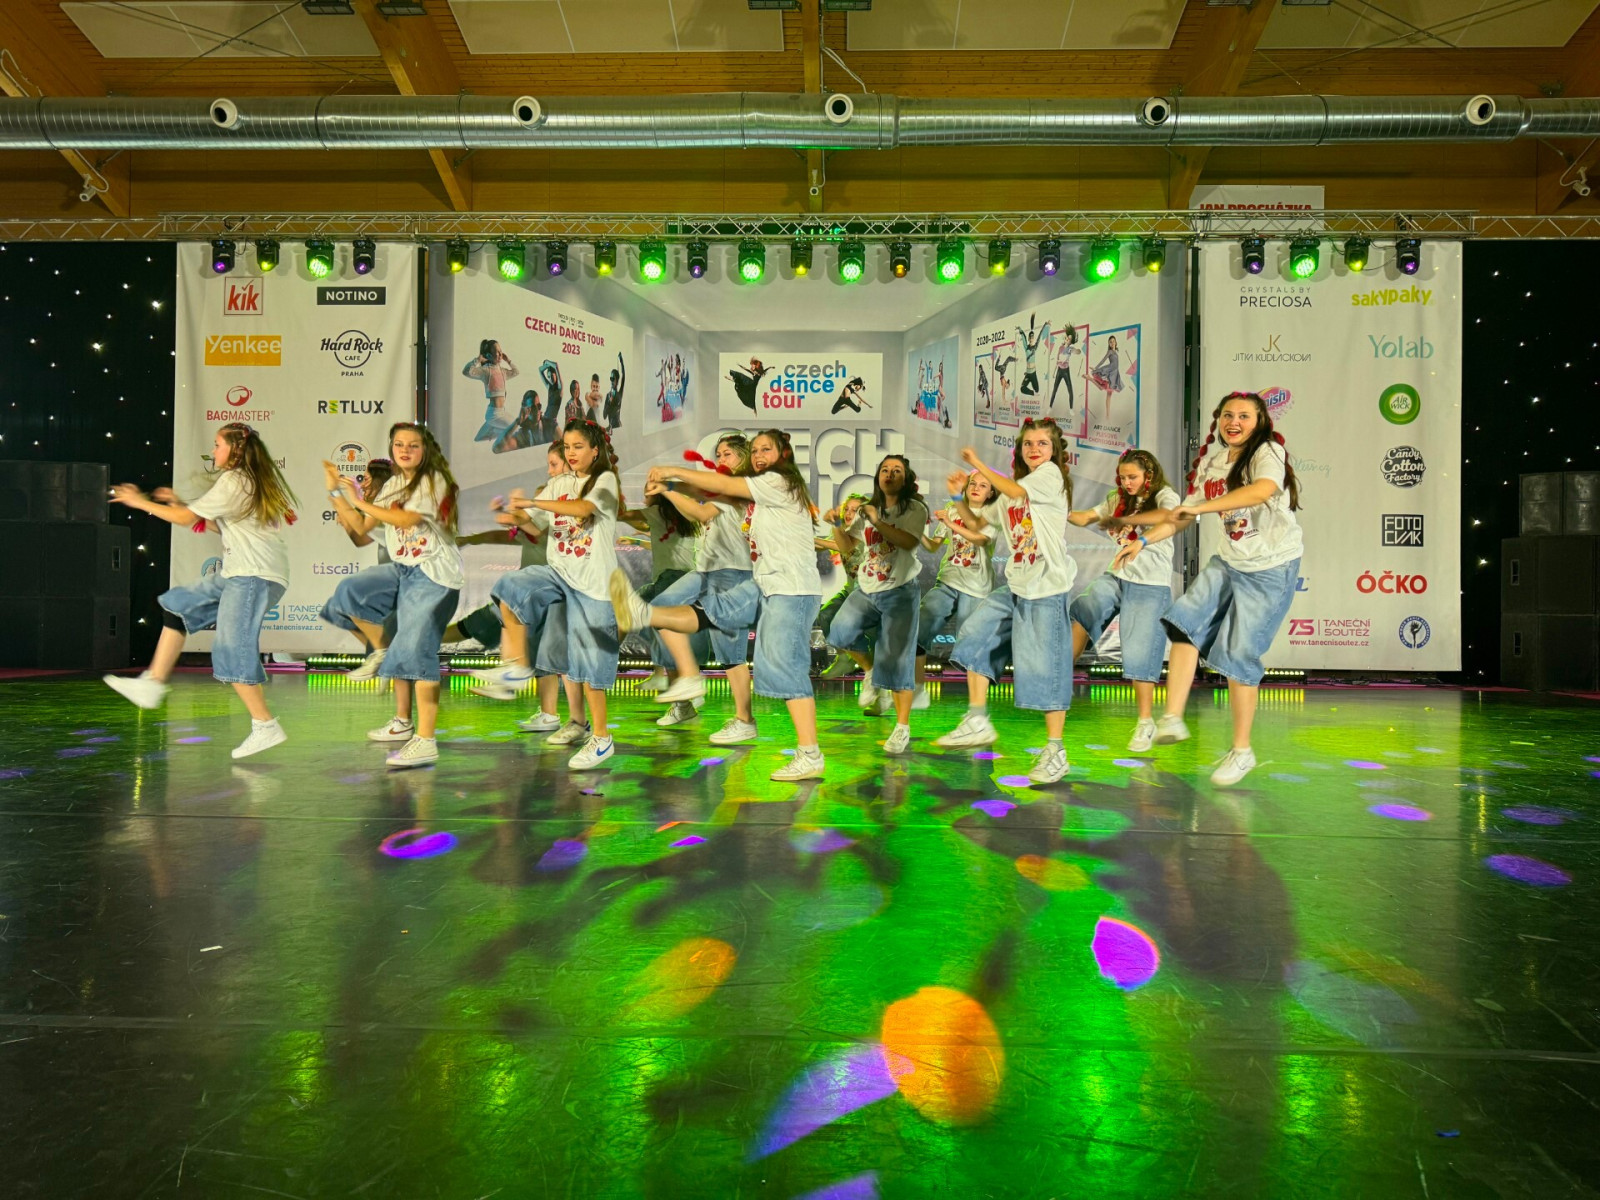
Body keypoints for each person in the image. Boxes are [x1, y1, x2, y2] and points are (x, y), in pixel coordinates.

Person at [610, 430, 825, 782]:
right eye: (755, 450)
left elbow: (713, 493)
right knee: (711, 612)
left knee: (784, 668)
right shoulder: (756, 494)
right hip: (764, 584)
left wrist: (671, 473)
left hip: (792, 590)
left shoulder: (779, 482)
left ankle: (810, 753)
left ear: (783, 455)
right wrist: (669, 487)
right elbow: (709, 496)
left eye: (766, 449)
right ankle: (649, 617)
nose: (758, 455)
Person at [1114, 393, 1303, 787]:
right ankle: (1172, 718)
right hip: (1229, 561)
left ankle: (1242, 751)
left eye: (1244, 416)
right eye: (1228, 415)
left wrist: (1202, 508)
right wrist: (1143, 540)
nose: (1235, 422)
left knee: (1237, 656)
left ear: (1260, 421)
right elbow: (1180, 515)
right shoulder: (1213, 463)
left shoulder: (1266, 451)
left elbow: (1262, 490)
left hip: (1270, 568)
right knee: (1184, 622)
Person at [104, 422, 295, 760]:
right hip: (241, 572)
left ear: (235, 450)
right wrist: (179, 503)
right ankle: (152, 683)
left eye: (218, 444)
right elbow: (212, 522)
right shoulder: (246, 480)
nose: (214, 450)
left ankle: (265, 724)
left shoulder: (236, 479)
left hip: (253, 574)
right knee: (179, 605)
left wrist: (139, 502)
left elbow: (185, 519)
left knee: (231, 649)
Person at [470, 421, 624, 772]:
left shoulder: (605, 480)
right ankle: (515, 668)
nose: (571, 453)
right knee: (510, 587)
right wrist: (509, 514)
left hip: (594, 585)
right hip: (559, 574)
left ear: (595, 450)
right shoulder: (558, 484)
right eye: (567, 447)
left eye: (578, 446)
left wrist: (532, 500)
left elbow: (584, 510)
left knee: (589, 669)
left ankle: (601, 738)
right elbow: (533, 526)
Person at [936, 419, 1078, 783]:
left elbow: (1015, 490)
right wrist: (957, 498)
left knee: (1046, 670)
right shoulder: (1012, 494)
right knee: (974, 634)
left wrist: (977, 463)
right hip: (1017, 584)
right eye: (1028, 443)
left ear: (1053, 451)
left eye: (1042, 443)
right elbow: (978, 525)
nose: (1034, 448)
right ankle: (977, 719)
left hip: (1046, 588)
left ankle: (1056, 750)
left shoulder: (1049, 477)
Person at [321, 422, 464, 769]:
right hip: (404, 570)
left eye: (413, 445)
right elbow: (360, 529)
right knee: (350, 594)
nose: (405, 450)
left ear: (425, 450)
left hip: (433, 576)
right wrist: (337, 493)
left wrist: (359, 500)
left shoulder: (434, 481)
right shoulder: (394, 484)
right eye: (399, 444)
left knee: (417, 651)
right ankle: (388, 667)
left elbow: (406, 519)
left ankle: (426, 740)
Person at [637, 433, 760, 743]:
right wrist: (668, 487)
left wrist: (668, 488)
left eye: (727, 454)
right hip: (705, 571)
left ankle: (745, 720)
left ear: (743, 457)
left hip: (734, 572)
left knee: (730, 654)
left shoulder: (739, 486)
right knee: (661, 608)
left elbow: (701, 512)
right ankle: (688, 683)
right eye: (718, 454)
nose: (720, 459)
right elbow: (696, 495)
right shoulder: (720, 486)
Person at [1067, 449, 1181, 752]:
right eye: (1123, 477)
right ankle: (1061, 679)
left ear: (1149, 475)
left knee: (1139, 654)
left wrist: (1134, 531)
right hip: (1117, 575)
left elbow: (1168, 520)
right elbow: (1085, 517)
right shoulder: (1117, 498)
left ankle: (1145, 722)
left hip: (1149, 584)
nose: (1127, 482)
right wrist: (1059, 510)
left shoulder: (1165, 496)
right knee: (1087, 605)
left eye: (1133, 477)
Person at [453, 443, 570, 733]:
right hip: (538, 592)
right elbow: (521, 527)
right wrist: (507, 514)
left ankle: (571, 716)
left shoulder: (571, 503)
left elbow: (534, 526)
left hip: (558, 589)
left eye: (554, 464)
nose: (549, 471)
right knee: (536, 646)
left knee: (554, 655)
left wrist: (517, 511)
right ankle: (532, 697)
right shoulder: (544, 511)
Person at [823, 455, 928, 754]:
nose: (889, 474)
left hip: (900, 592)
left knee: (896, 662)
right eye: (885, 469)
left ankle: (902, 727)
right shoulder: (870, 508)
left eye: (897, 470)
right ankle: (870, 671)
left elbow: (908, 542)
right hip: (867, 587)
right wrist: (836, 525)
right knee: (839, 631)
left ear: (906, 478)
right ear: (878, 476)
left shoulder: (915, 509)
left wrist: (878, 521)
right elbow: (848, 547)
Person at [914, 469, 999, 707]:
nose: (976, 488)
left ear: (991, 493)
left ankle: (976, 709)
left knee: (970, 648)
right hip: (948, 580)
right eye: (973, 483)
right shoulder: (952, 509)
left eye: (983, 485)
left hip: (976, 588)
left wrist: (951, 523)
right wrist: (917, 530)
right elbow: (934, 546)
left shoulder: (992, 514)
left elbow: (980, 539)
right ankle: (918, 690)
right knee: (918, 629)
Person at [620, 482, 700, 720]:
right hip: (683, 579)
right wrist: (636, 541)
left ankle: (682, 700)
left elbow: (627, 516)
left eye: (647, 494)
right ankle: (672, 682)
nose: (644, 499)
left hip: (671, 580)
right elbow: (658, 539)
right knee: (631, 613)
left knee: (662, 630)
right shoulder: (681, 516)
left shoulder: (657, 512)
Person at [463, 339, 519, 441]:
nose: (500, 354)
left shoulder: (503, 371)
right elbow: (466, 371)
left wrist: (508, 361)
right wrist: (478, 360)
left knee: (478, 439)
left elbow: (516, 372)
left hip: (502, 412)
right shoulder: (486, 371)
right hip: (494, 414)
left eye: (501, 351)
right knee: (516, 429)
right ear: (489, 355)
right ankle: (494, 429)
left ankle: (492, 429)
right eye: (497, 352)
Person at [1015, 314, 1049, 397]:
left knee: (1037, 389)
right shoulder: (1026, 348)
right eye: (1030, 338)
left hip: (1033, 373)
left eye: (1032, 338)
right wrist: (1019, 328)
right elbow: (1023, 337)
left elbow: (1040, 335)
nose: (1031, 339)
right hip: (1028, 373)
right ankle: (1032, 393)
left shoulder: (1035, 347)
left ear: (1033, 339)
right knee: (1022, 389)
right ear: (1029, 339)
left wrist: (1045, 324)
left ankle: (1034, 391)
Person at [1047, 325, 1078, 411]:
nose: (1068, 339)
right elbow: (1057, 361)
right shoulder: (1060, 348)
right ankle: (1050, 407)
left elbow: (1078, 352)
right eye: (1067, 337)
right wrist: (1053, 372)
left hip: (1066, 371)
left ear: (1071, 341)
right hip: (1059, 370)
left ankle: (1071, 409)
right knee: (1054, 389)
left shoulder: (1070, 348)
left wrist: (1074, 350)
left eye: (1070, 339)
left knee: (1070, 390)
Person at [603, 353, 626, 430]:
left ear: (617, 380)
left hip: (618, 427)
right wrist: (609, 403)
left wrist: (621, 361)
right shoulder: (608, 396)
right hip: (611, 429)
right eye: (611, 378)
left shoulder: (619, 393)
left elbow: (623, 376)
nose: (612, 381)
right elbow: (604, 416)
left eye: (613, 379)